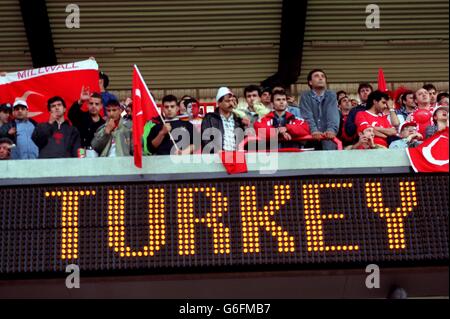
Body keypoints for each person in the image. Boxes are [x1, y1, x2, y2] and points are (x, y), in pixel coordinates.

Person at [299, 69, 340, 150]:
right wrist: (313, 130)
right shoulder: (305, 96)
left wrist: (331, 130)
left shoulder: (331, 95)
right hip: (310, 138)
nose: (320, 78)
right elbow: (307, 115)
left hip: (328, 137)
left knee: (329, 160)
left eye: (323, 76)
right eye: (316, 76)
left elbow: (332, 114)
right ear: (310, 82)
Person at [201, 87, 245, 153]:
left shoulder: (238, 119)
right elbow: (205, 139)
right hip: (216, 158)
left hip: (236, 157)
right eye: (227, 101)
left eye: (232, 101)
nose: (231, 104)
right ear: (219, 103)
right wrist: (217, 151)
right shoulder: (210, 118)